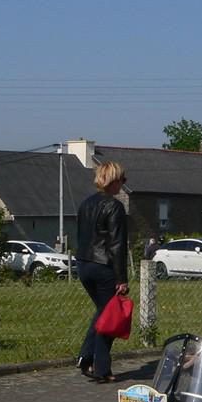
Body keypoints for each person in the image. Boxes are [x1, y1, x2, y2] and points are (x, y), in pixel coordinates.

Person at [75, 161, 129, 382]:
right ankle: (101, 369)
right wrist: (121, 278)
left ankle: (85, 357)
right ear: (114, 181)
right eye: (122, 180)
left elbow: (81, 235)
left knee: (102, 311)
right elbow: (117, 245)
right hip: (103, 266)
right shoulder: (115, 207)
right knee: (111, 317)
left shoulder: (85, 204)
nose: (123, 184)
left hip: (83, 264)